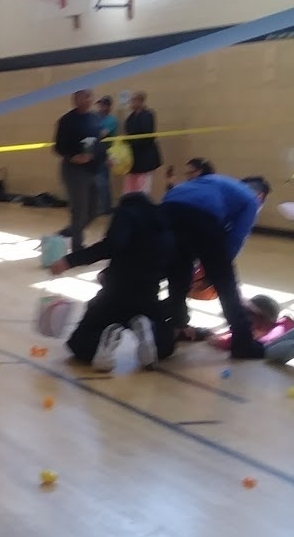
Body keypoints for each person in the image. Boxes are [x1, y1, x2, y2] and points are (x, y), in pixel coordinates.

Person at [47, 191, 176, 372]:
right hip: (148, 295)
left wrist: (69, 261)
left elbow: (113, 244)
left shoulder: (126, 213)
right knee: (165, 349)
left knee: (79, 346)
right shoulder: (163, 223)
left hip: (116, 293)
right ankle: (147, 328)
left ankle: (108, 337)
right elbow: (152, 259)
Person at [161, 172, 271, 359]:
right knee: (226, 283)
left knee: (178, 272)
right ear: (260, 196)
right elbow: (234, 240)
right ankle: (243, 343)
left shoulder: (218, 182)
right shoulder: (250, 201)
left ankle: (178, 325)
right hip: (201, 214)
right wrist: (214, 273)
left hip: (168, 206)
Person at [53, 89, 106, 252]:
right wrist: (72, 157)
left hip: (94, 170)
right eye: (85, 96)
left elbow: (98, 142)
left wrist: (106, 157)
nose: (89, 99)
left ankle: (70, 231)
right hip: (75, 171)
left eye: (90, 96)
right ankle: (77, 247)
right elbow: (58, 147)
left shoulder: (95, 119)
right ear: (75, 99)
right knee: (79, 209)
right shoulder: (66, 121)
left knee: (95, 209)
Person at [123, 91, 162, 195]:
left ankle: (143, 206)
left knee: (143, 187)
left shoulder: (148, 115)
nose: (131, 103)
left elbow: (147, 135)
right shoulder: (130, 118)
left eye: (133, 100)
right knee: (130, 188)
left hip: (145, 156)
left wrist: (131, 141)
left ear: (140, 101)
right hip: (133, 157)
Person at [94, 96, 119, 215]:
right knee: (96, 180)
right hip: (95, 151)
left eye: (103, 105)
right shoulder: (96, 117)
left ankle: (105, 207)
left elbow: (102, 134)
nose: (100, 108)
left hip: (106, 152)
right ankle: (99, 205)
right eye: (99, 105)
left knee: (102, 180)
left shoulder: (111, 120)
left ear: (108, 107)